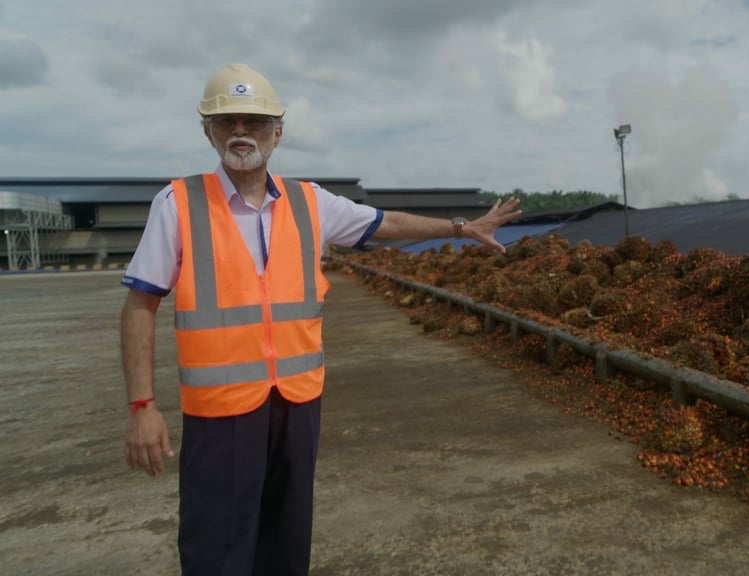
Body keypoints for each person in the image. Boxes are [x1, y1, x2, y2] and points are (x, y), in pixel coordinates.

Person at [120, 62, 521, 575]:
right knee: (217, 548)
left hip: (297, 404)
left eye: (255, 122)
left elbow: (387, 222)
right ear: (208, 131)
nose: (241, 132)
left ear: (277, 133)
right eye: (228, 122)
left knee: (286, 544)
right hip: (221, 413)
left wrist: (463, 227)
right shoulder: (178, 204)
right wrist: (142, 406)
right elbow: (139, 304)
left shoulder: (311, 203)